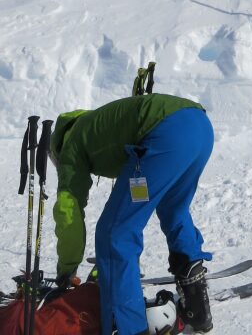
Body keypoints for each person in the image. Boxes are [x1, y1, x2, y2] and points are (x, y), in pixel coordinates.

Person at [50, 93, 214, 335]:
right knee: (174, 209)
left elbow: (68, 211)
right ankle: (197, 308)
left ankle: (128, 328)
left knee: (114, 233)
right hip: (200, 126)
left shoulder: (71, 145)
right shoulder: (95, 125)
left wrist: (67, 271)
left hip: (166, 132)